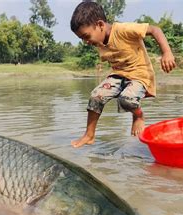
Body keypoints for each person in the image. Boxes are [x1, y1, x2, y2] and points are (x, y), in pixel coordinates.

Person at [70, 1, 176, 148]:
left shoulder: (123, 29)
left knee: (126, 99)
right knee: (96, 96)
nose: (86, 42)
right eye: (82, 39)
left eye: (86, 36)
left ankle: (138, 116)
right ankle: (89, 135)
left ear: (100, 25)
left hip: (140, 74)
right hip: (119, 75)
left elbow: (155, 29)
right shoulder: (99, 42)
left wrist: (167, 53)